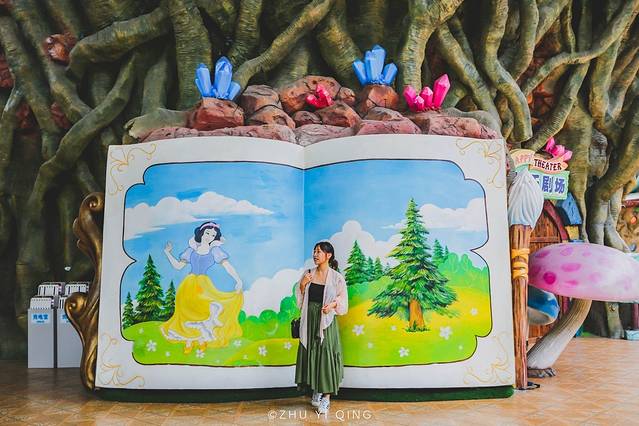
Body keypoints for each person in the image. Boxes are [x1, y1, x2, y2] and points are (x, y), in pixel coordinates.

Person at [161, 221, 244, 354]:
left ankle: (202, 339)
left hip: (204, 285)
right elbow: (178, 266)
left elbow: (227, 266)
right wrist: (167, 253)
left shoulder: (215, 251)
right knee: (187, 312)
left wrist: (238, 279)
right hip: (188, 285)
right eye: (207, 233)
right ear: (201, 233)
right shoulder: (191, 250)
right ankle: (189, 341)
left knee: (204, 310)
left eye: (213, 235)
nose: (209, 237)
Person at [294, 241, 348, 415]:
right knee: (312, 351)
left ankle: (326, 397)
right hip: (309, 320)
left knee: (325, 354)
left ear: (328, 255)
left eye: (319, 252)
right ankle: (316, 388)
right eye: (314, 251)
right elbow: (300, 301)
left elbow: (343, 302)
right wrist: (302, 285)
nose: (315, 255)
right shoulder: (308, 274)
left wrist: (332, 305)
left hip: (326, 321)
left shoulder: (336, 278)